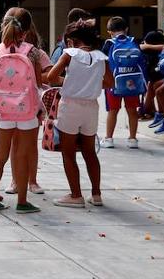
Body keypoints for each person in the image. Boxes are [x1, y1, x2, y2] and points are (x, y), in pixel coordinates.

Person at [0, 7, 51, 213]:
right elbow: (39, 83)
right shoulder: (33, 52)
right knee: (22, 154)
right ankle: (22, 201)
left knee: (0, 155)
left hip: (3, 111)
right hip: (27, 110)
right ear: (26, 31)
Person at [45, 18, 109, 208]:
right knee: (90, 152)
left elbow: (51, 77)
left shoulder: (70, 54)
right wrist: (90, 83)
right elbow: (110, 83)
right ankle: (96, 194)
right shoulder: (101, 57)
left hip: (70, 106)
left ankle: (76, 195)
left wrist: (72, 81)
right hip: (91, 107)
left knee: (69, 152)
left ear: (72, 40)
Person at [102, 16, 145, 149]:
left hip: (114, 82)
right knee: (132, 110)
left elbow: (103, 62)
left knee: (113, 110)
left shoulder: (109, 44)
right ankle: (133, 139)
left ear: (109, 31)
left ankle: (109, 139)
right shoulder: (134, 42)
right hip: (132, 80)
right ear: (126, 29)